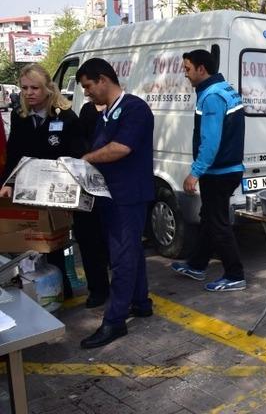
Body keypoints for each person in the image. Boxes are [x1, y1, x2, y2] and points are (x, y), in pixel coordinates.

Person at [77, 58, 155, 349]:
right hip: (111, 196)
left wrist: (85, 159)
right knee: (131, 250)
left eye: (88, 86)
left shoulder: (134, 108)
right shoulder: (107, 113)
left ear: (103, 80)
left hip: (128, 196)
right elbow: (100, 145)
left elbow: (120, 148)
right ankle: (141, 303)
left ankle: (115, 320)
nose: (86, 93)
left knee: (122, 258)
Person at [0, 63, 88, 300]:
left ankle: (61, 291)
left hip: (56, 191)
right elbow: (14, 153)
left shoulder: (67, 117)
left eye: (35, 88)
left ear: (48, 88)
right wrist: (6, 183)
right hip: (27, 189)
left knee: (55, 243)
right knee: (28, 243)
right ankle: (33, 291)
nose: (29, 93)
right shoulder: (21, 117)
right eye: (25, 88)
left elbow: (78, 155)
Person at [170, 50, 247, 292]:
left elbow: (210, 141)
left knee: (218, 223)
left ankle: (235, 275)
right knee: (208, 218)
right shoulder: (225, 89)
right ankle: (196, 264)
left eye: (188, 69)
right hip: (227, 168)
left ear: (201, 69)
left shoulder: (211, 97)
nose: (186, 74)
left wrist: (195, 172)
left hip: (219, 171)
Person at [72, 94, 111, 308]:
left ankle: (120, 290)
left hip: (111, 189)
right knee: (89, 243)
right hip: (87, 188)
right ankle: (98, 289)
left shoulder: (122, 110)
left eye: (89, 86)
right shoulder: (87, 112)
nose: (87, 91)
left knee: (111, 244)